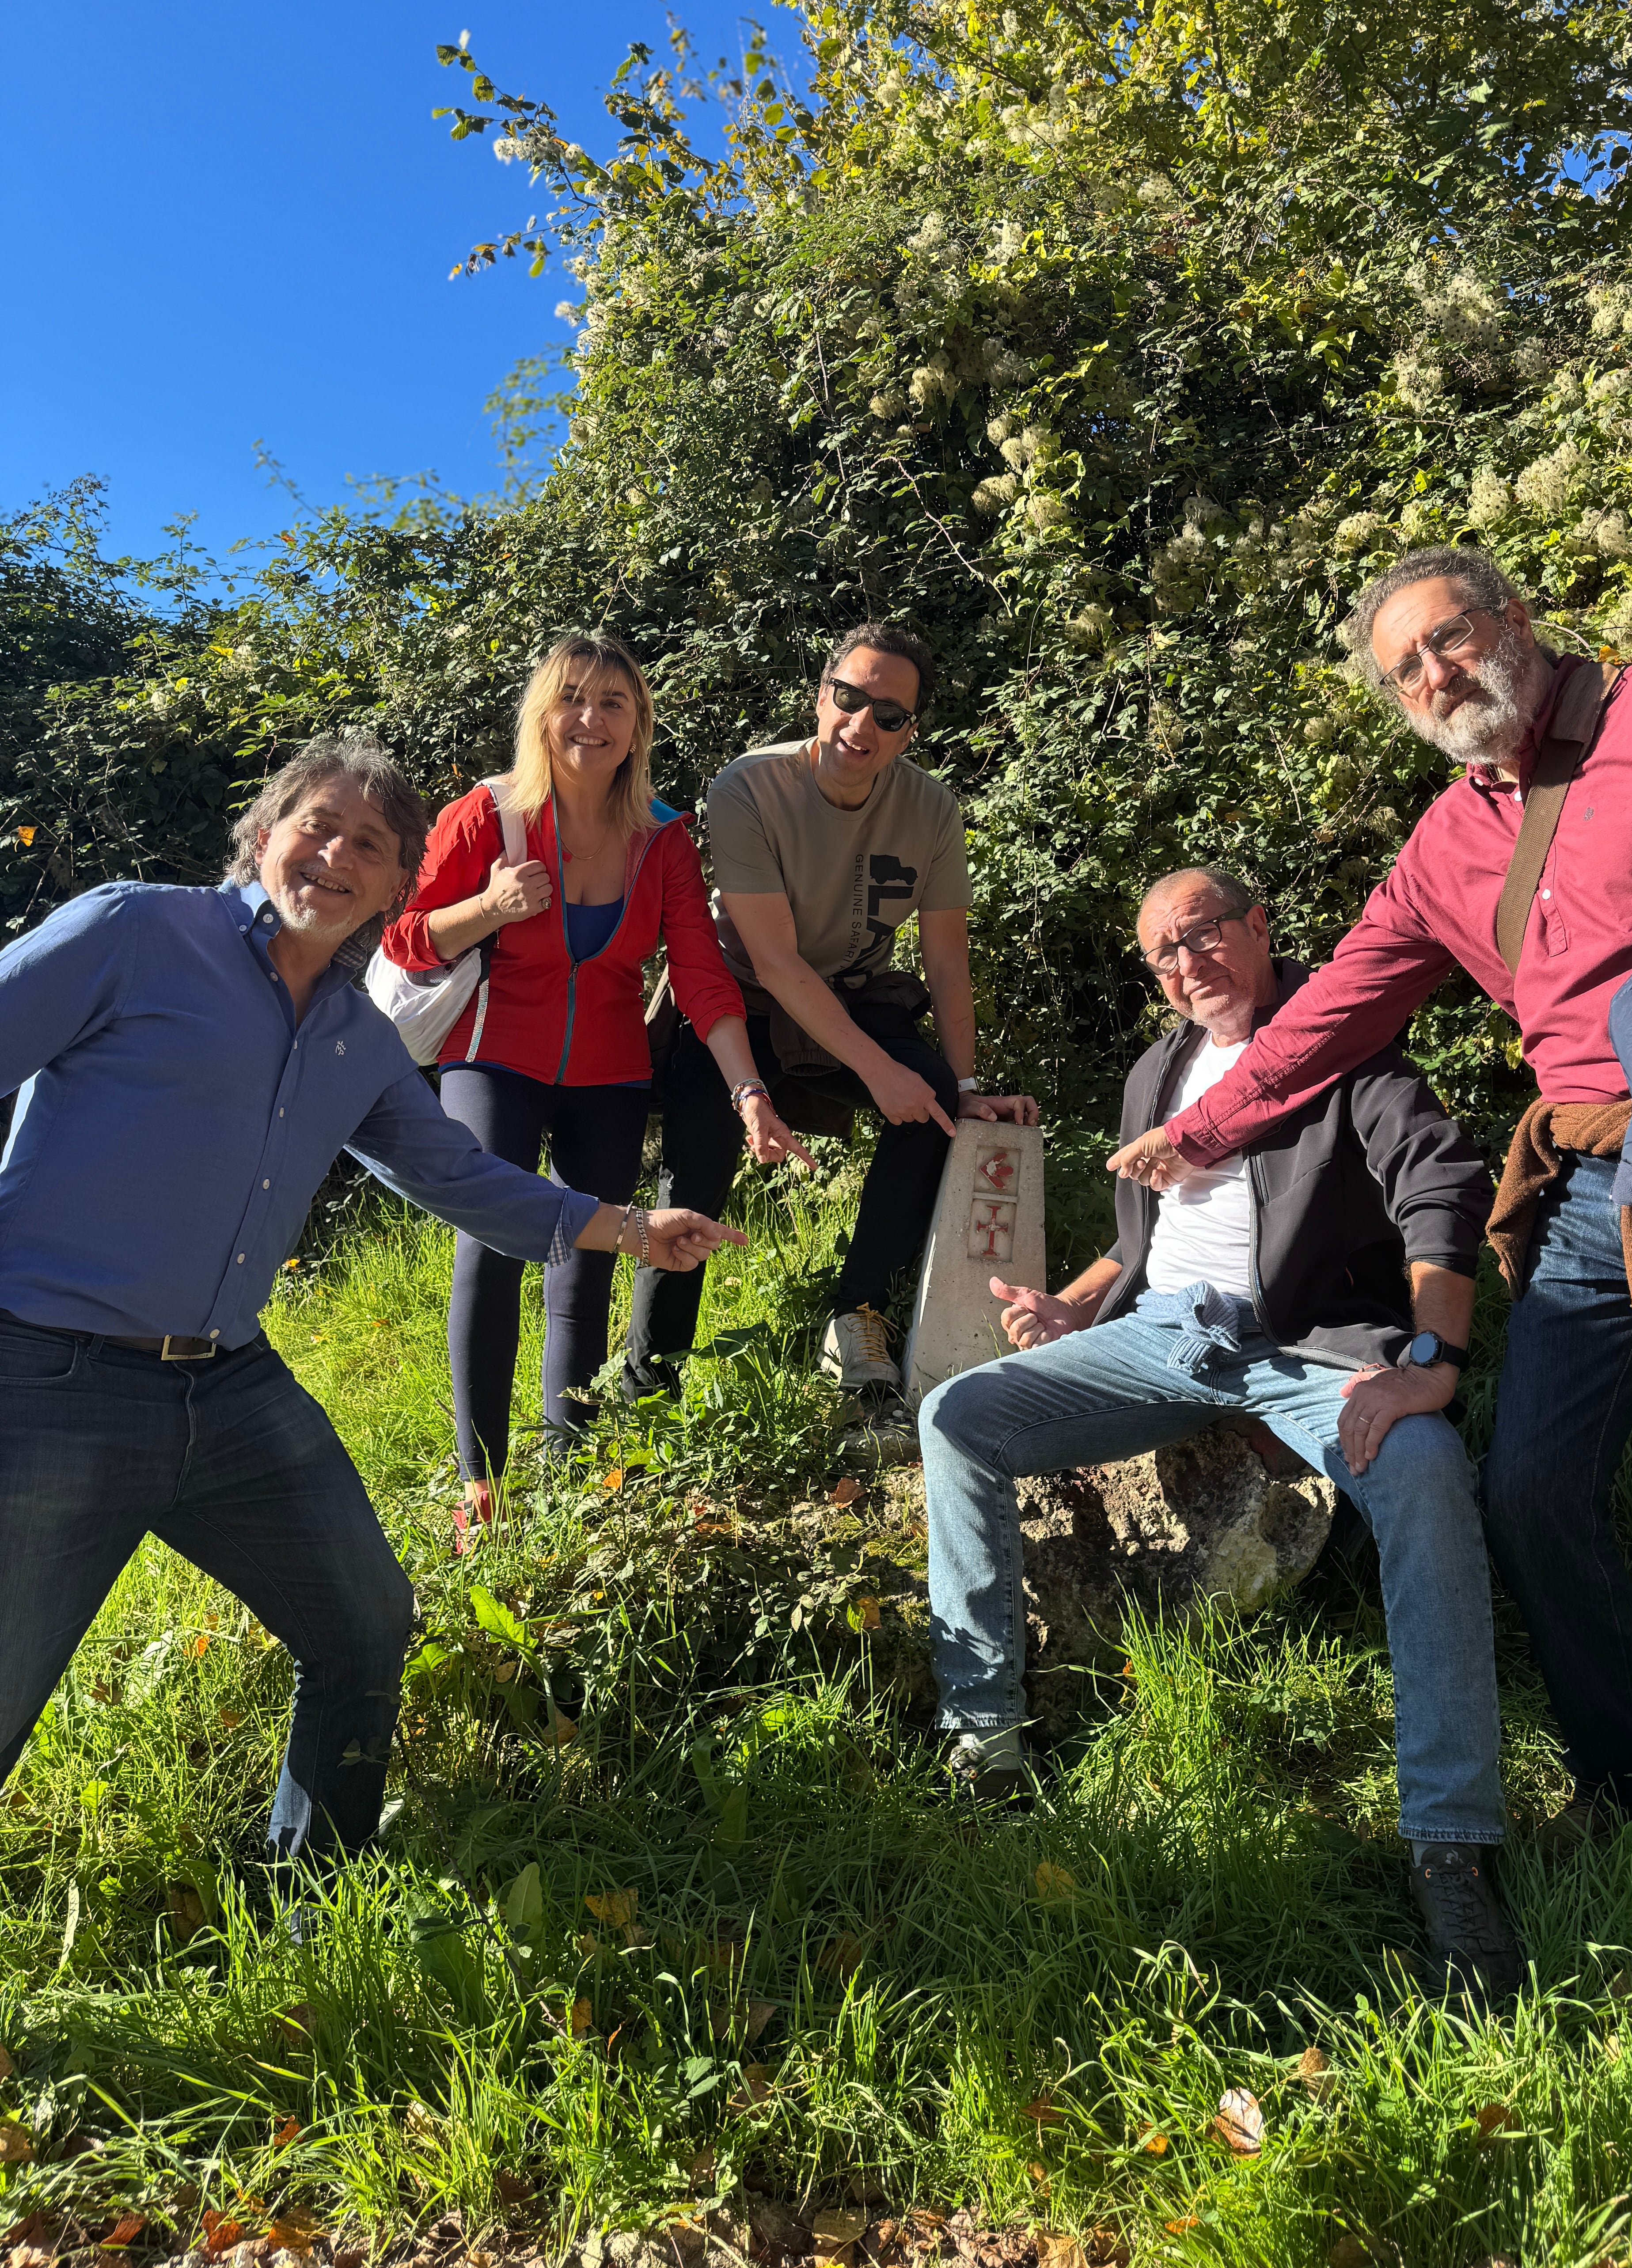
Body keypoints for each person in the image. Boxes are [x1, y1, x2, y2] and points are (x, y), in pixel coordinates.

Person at [1111, 547, 1632, 1938]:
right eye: (1405, 668)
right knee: (1527, 1490)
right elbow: (1331, 1011)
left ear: (1513, 622)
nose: (1434, 675)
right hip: (1594, 1185)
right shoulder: (1444, 847)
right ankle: (1629, 1768)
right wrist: (1207, 1129)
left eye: (1448, 638)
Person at [0, 738, 741, 1866]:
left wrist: (633, 1229)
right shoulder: (138, 932)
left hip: (227, 1387)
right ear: (265, 833)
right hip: (44, 1380)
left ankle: (313, 1889)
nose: (336, 856)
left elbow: (456, 1175)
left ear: (402, 887)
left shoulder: (359, 1039)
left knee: (363, 1621)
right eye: (318, 825)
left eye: (372, 847)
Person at [920, 866, 1524, 2000]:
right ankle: (984, 1737)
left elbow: (1439, 1184)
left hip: (1311, 1349)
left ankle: (1452, 1841)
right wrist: (1074, 1305)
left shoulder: (1336, 1039)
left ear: (1260, 925)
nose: (1185, 965)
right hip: (1161, 1335)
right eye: (1162, 953)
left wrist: (1435, 1359)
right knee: (959, 1415)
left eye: (1202, 936)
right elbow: (1143, 1235)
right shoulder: (1160, 1069)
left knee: (1427, 1467)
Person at [380, 634, 810, 1515]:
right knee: (494, 1245)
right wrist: (491, 907)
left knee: (588, 1258)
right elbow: (404, 935)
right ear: (544, 712)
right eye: (574, 698)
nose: (592, 718)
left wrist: (750, 1092)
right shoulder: (487, 816)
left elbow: (700, 975)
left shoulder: (662, 839)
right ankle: (481, 1486)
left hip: (609, 1070)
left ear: (638, 724)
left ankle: (572, 1474)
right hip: (491, 1052)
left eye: (614, 702)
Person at [628, 624, 1036, 1435]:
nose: (861, 725)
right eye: (849, 698)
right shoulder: (749, 786)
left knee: (935, 1115)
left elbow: (948, 962)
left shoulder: (931, 809)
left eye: (889, 714)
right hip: (736, 1002)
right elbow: (774, 961)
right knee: (699, 1166)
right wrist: (881, 1075)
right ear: (822, 693)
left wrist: (961, 1085)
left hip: (853, 994)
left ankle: (856, 1318)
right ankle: (650, 1384)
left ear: (910, 732)